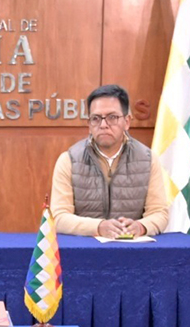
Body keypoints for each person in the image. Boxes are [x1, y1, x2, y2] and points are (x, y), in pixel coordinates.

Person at [48, 84, 169, 238]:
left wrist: (141, 227)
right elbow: (58, 217)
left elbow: (159, 213)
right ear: (89, 125)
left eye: (112, 117)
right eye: (96, 118)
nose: (103, 125)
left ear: (127, 121)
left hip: (132, 251)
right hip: (84, 251)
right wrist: (98, 227)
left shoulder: (147, 159)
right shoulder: (69, 160)